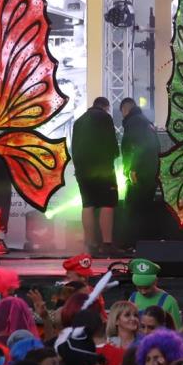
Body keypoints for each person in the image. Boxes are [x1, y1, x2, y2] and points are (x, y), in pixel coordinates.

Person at [71, 96, 121, 255]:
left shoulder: (79, 121)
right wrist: (114, 155)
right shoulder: (105, 117)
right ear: (105, 107)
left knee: (88, 205)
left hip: (82, 171)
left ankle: (90, 244)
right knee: (107, 204)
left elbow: (74, 147)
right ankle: (106, 244)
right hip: (103, 169)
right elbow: (112, 143)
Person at [119, 97, 161, 249]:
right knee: (145, 208)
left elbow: (135, 147)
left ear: (125, 109)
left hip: (139, 172)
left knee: (133, 207)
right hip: (150, 171)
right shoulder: (146, 122)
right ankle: (145, 243)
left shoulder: (134, 122)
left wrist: (132, 169)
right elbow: (155, 147)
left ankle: (132, 243)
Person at [128, 258, 183, 331]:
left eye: (147, 288)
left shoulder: (169, 302)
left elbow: (176, 332)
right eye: (139, 287)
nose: (143, 292)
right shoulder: (132, 298)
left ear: (155, 282)